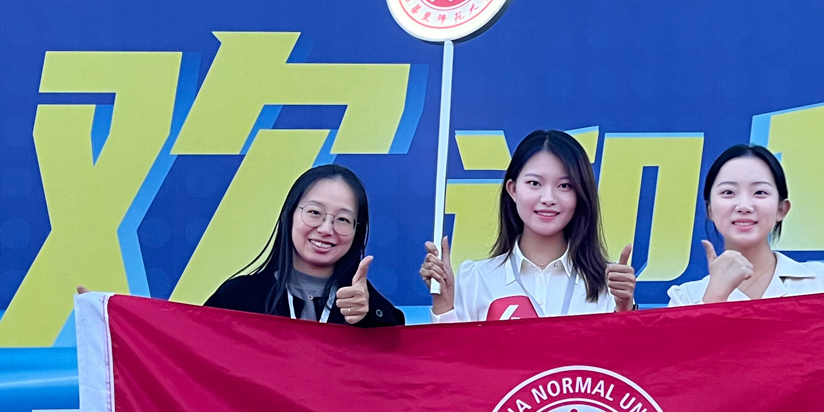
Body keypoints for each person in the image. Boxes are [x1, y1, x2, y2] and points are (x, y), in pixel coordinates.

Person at [420, 129, 636, 321]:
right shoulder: (477, 279)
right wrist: (443, 303)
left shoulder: (608, 283)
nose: (548, 198)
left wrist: (625, 309)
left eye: (564, 185)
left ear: (580, 194)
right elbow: (454, 352)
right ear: (513, 189)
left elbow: (623, 353)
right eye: (534, 183)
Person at [207, 164, 402, 327]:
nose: (326, 229)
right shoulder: (236, 299)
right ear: (289, 215)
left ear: (356, 231)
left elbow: (398, 356)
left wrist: (369, 317)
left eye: (343, 219)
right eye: (315, 212)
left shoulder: (371, 311)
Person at [665, 144, 824, 306]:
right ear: (710, 210)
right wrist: (715, 296)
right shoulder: (685, 298)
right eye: (728, 192)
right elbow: (686, 343)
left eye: (760, 192)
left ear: (781, 209)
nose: (744, 206)